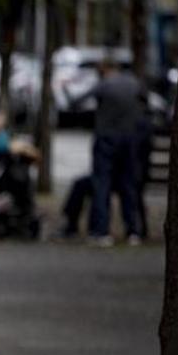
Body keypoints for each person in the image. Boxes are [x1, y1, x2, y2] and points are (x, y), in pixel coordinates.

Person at [64, 59, 146, 247]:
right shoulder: (134, 83)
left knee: (101, 184)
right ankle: (133, 230)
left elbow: (77, 101)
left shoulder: (104, 85)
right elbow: (145, 102)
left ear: (105, 71)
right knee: (128, 185)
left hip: (107, 138)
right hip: (130, 139)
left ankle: (101, 231)